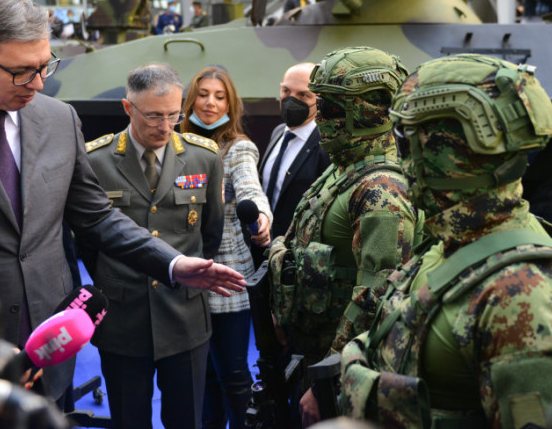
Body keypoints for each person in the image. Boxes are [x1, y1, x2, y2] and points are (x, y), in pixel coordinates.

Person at [0, 0, 245, 403]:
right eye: (22, 72)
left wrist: (173, 262)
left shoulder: (58, 118)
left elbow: (96, 216)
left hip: (50, 347)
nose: (39, 83)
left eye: (44, 67)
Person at [341, 54, 552, 429]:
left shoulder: (522, 296)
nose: (407, 161)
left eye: (414, 141)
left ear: (454, 150)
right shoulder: (450, 244)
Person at [268, 46, 422, 427]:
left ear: (368, 110)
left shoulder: (380, 189)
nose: (321, 118)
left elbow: (377, 297)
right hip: (310, 351)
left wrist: (331, 378)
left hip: (335, 370)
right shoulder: (344, 168)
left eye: (333, 108)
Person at [80, 63, 225, 429]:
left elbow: (210, 234)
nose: (165, 126)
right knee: (130, 420)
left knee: (185, 419)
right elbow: (86, 241)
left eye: (174, 115)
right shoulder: (95, 161)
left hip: (184, 317)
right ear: (128, 109)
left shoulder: (203, 157)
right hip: (123, 318)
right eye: (154, 116)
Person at [180, 65, 272, 429]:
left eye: (220, 97)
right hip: (186, 274)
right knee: (201, 377)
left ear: (231, 104)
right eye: (203, 94)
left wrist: (261, 217)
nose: (210, 103)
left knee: (233, 373)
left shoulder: (238, 148)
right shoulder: (176, 144)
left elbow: (251, 188)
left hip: (226, 279)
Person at [259, 62, 330, 242]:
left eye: (303, 95)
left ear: (319, 100)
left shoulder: (326, 146)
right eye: (286, 91)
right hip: (263, 248)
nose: (291, 100)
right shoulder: (278, 132)